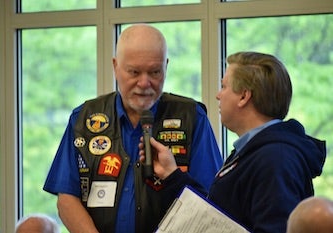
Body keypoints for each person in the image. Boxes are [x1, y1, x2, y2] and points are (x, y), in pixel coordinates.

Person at [43, 24, 223, 233]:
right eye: (134, 72)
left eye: (154, 72)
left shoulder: (191, 117)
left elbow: (210, 203)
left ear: (166, 66)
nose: (144, 83)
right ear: (115, 67)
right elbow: (66, 198)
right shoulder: (84, 118)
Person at [139, 51, 326, 233]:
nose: (218, 95)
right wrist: (172, 174)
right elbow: (217, 216)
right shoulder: (254, 152)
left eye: (224, 86)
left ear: (244, 96)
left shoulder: (275, 159)